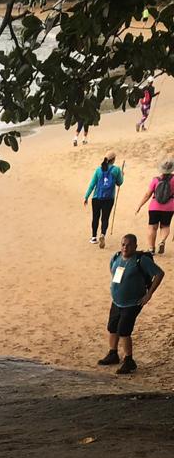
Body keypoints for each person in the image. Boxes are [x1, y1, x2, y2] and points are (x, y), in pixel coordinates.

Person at [98, 233, 163, 375]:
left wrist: (149, 294)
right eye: (123, 244)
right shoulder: (116, 257)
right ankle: (113, 353)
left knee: (124, 330)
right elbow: (113, 271)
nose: (125, 248)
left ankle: (129, 360)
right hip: (117, 301)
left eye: (128, 245)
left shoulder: (141, 260)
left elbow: (159, 274)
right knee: (112, 327)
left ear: (135, 246)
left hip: (132, 303)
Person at [83, 153, 123, 248]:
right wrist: (122, 175)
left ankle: (93, 237)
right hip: (109, 198)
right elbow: (119, 182)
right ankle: (103, 234)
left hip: (96, 197)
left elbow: (92, 184)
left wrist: (86, 196)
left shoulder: (98, 170)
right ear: (113, 159)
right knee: (105, 218)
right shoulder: (116, 170)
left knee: (95, 217)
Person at [135, 159, 174, 254]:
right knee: (165, 226)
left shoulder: (155, 180)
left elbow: (147, 194)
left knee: (152, 227)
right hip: (169, 207)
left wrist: (140, 205)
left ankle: (151, 248)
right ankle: (162, 240)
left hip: (154, 207)